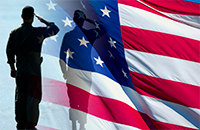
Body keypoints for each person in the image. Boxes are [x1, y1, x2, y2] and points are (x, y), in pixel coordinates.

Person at [6, 6, 59, 130]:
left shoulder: (14, 33)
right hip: (33, 73)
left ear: (22, 16)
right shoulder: (38, 32)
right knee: (33, 99)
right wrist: (44, 21)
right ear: (33, 18)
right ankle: (30, 125)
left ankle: (20, 124)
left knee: (20, 97)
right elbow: (55, 29)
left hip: (20, 71)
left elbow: (9, 51)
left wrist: (12, 68)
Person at [59, 10, 105, 130]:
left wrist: (64, 72)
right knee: (85, 99)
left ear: (73, 20)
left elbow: (62, 57)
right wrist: (90, 20)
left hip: (72, 73)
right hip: (87, 72)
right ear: (83, 20)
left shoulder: (68, 36)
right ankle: (82, 126)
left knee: (73, 99)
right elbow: (103, 30)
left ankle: (74, 125)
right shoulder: (90, 34)